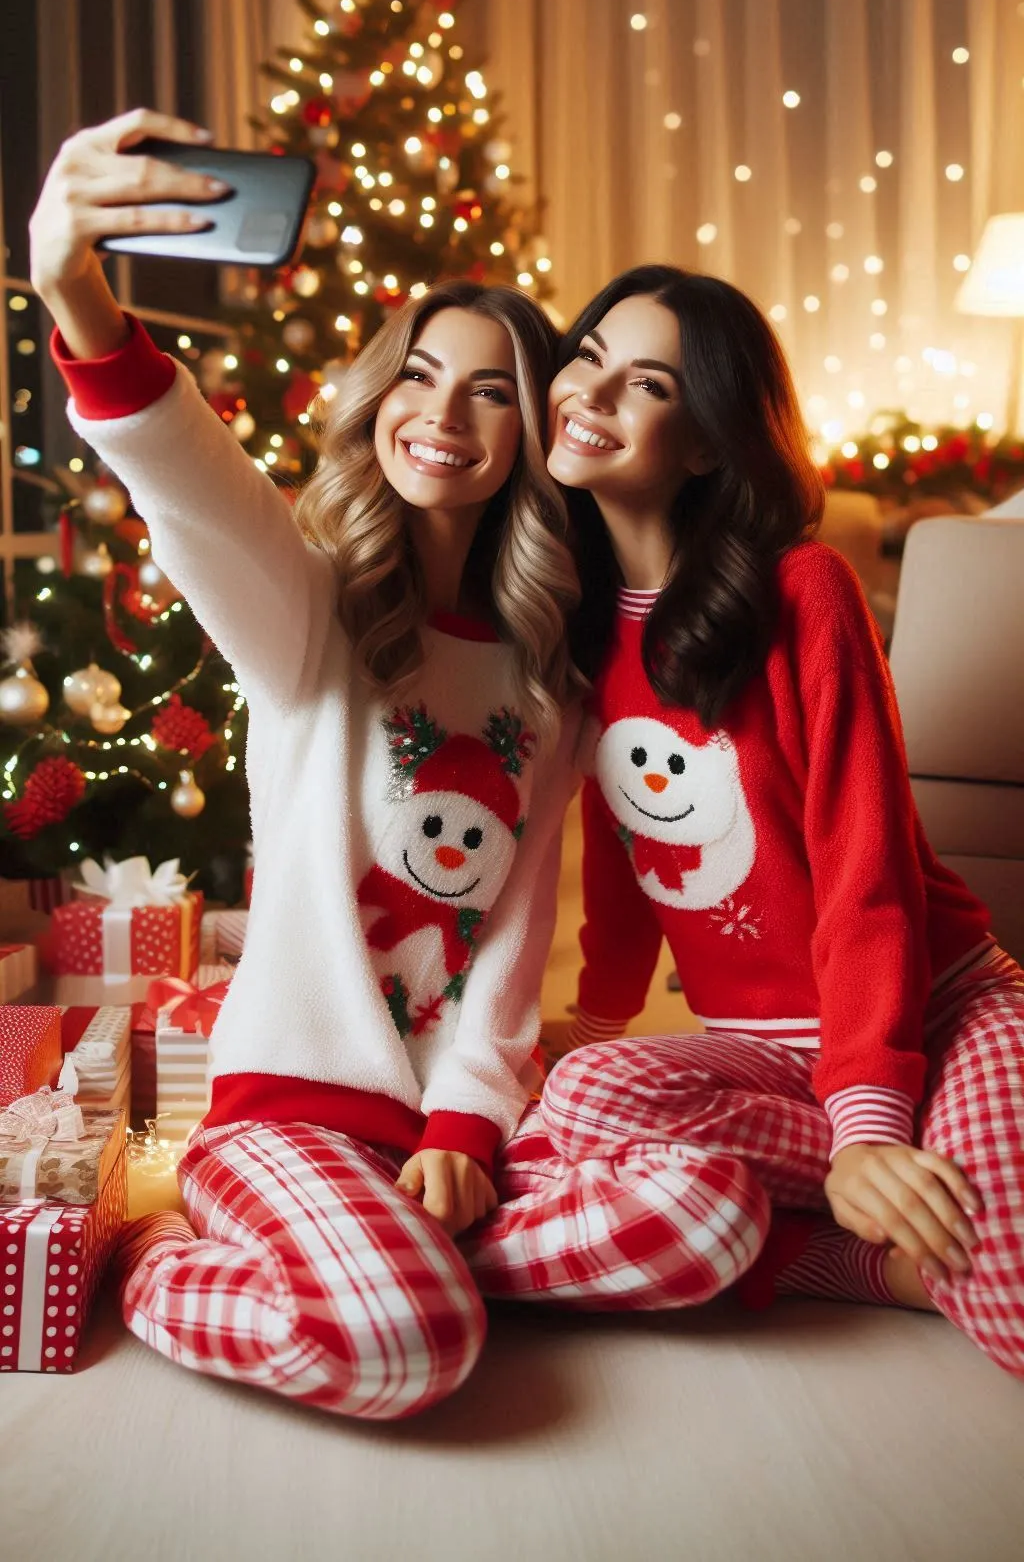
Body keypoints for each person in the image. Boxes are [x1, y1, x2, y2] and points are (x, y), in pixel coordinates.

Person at [29, 109, 582, 1418]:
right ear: (379, 398)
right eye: (419, 375)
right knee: (412, 1346)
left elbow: (513, 943)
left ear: (529, 435)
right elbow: (200, 491)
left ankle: (396, 1246)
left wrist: (464, 1124)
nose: (445, 411)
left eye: (492, 389)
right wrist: (78, 296)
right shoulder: (309, 618)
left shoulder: (545, 685)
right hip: (281, 1114)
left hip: (442, 1131)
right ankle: (165, 1259)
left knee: (698, 1219)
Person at [464, 264, 1024, 1380]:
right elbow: (627, 851)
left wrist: (870, 1123)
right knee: (581, 1095)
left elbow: (867, 867)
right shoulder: (570, 625)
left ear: (710, 443)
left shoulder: (803, 589)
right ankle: (868, 1260)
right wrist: (604, 1014)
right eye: (586, 359)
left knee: (1011, 1296)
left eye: (648, 384)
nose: (592, 393)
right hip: (769, 1060)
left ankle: (871, 1189)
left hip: (938, 998)